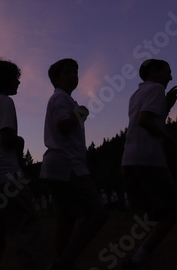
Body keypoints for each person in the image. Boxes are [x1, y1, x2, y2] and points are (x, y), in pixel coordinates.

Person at [0, 58, 46, 270]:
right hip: (6, 176)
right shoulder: (5, 102)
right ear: (4, 79)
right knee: (27, 232)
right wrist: (20, 141)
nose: (19, 83)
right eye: (15, 78)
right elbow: (6, 138)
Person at [40, 58, 106, 270]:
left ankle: (60, 262)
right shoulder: (60, 99)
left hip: (57, 166)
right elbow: (63, 126)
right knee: (97, 213)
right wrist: (80, 113)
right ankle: (64, 262)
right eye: (67, 72)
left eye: (75, 72)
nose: (73, 75)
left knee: (66, 220)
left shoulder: (64, 99)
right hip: (67, 164)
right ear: (55, 79)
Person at [121, 59, 177, 270]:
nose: (170, 77)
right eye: (167, 72)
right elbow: (145, 120)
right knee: (174, 210)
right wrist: (167, 138)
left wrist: (166, 107)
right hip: (149, 160)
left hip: (130, 160)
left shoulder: (136, 94)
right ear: (154, 72)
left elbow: (147, 118)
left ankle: (142, 259)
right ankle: (137, 261)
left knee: (152, 216)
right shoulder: (156, 88)